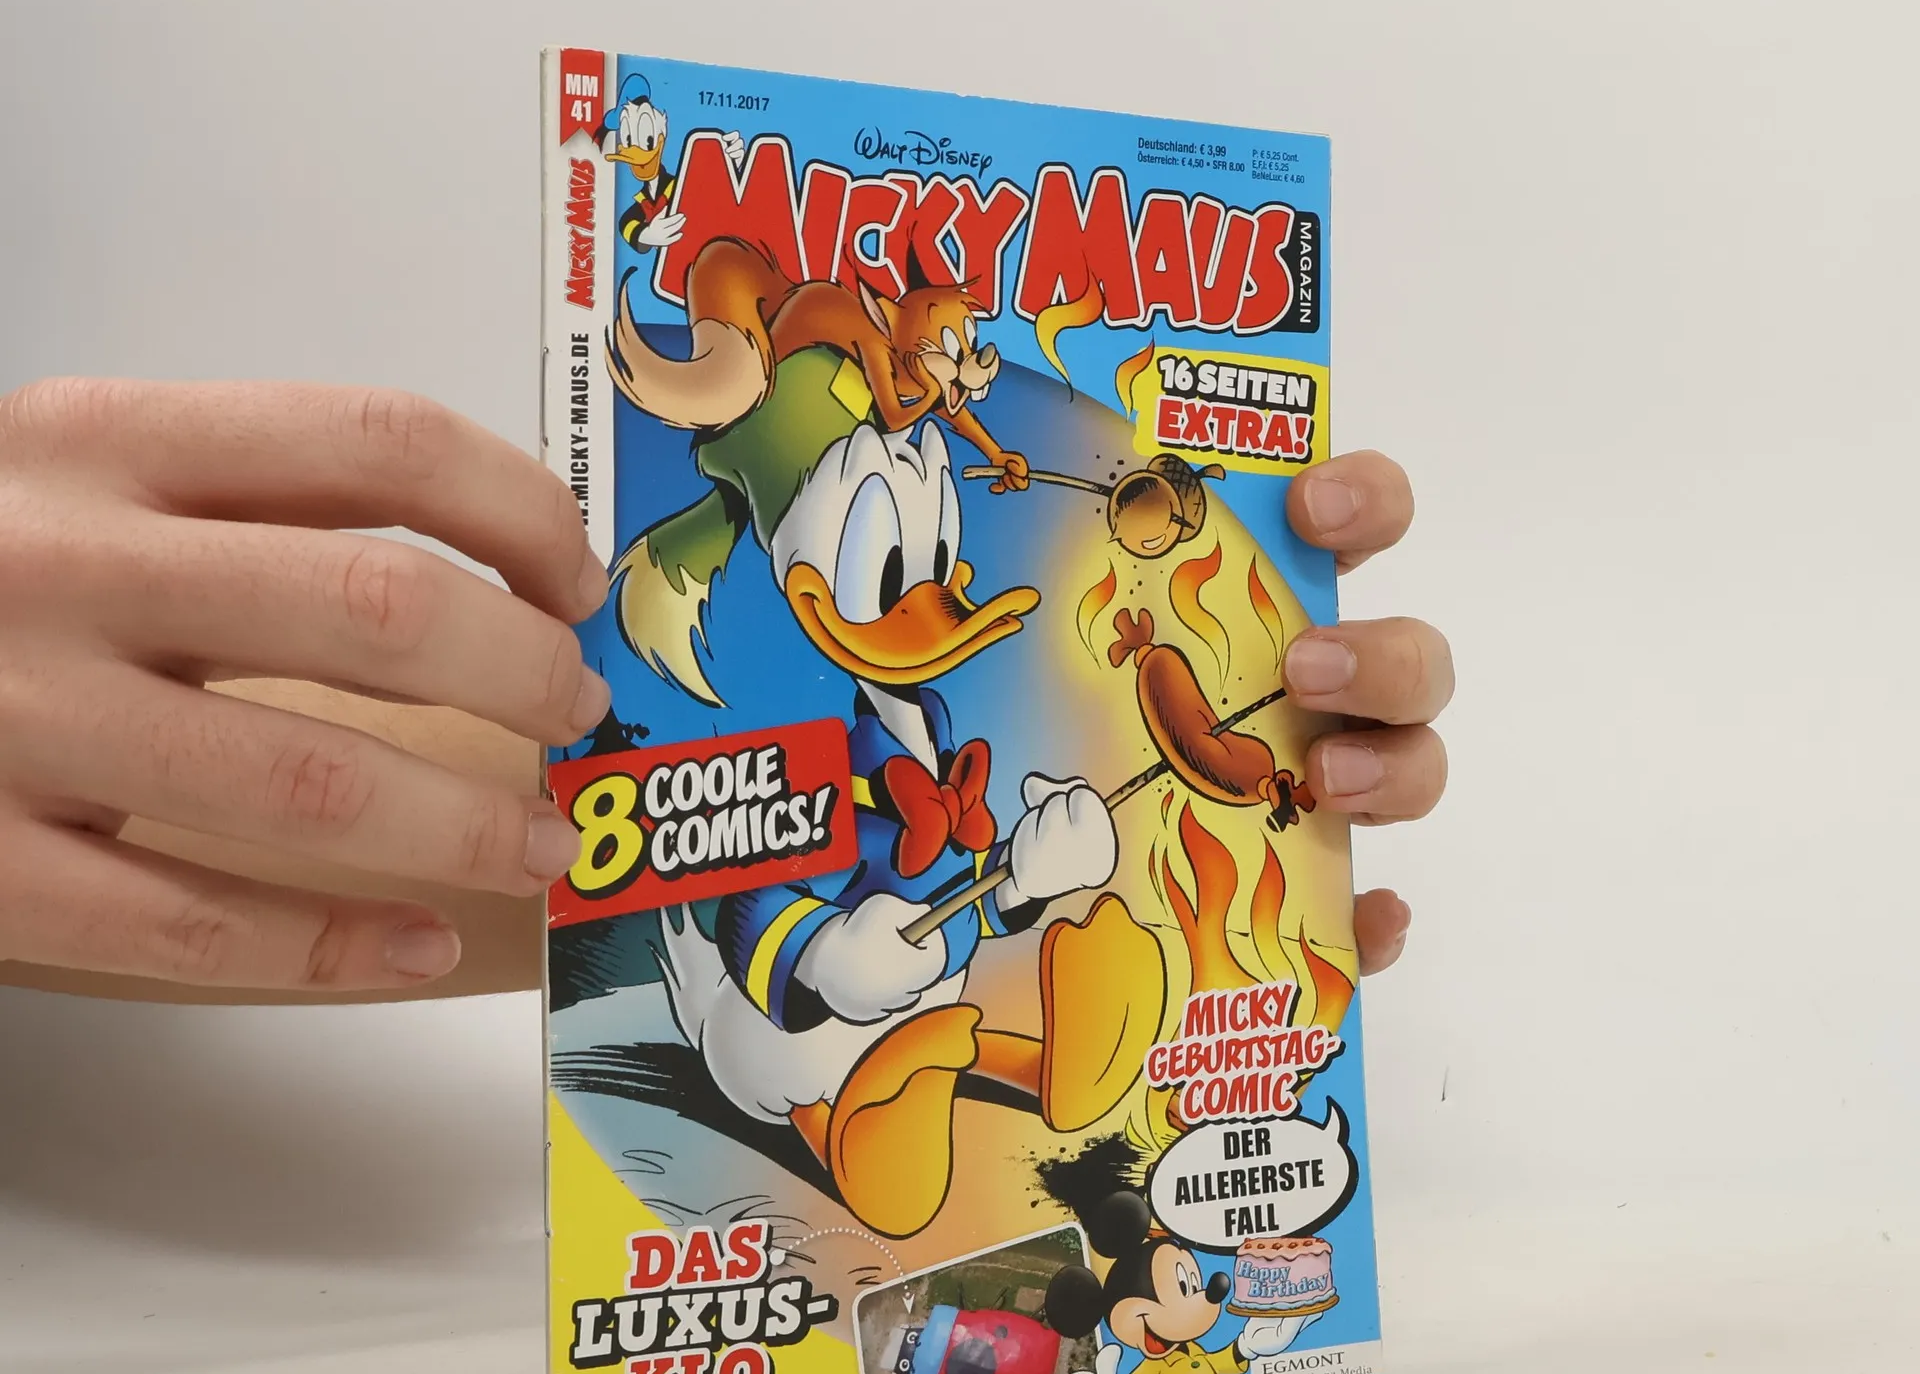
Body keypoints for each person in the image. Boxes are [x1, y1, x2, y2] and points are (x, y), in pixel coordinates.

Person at [0, 379, 1452, 1000]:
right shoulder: (823, 698)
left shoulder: (918, 722)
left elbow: (661, 830)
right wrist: (817, 961)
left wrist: (1064, 871)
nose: (948, 588)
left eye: (938, 550)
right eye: (895, 558)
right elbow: (765, 898)